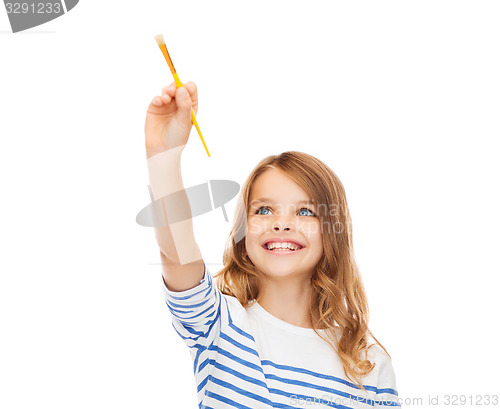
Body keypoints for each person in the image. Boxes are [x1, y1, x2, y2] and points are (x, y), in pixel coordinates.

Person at [144, 81, 400, 408]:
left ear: (332, 231)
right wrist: (163, 154)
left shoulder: (370, 365)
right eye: (264, 210)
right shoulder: (217, 323)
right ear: (243, 231)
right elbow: (175, 249)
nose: (282, 222)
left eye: (305, 211)